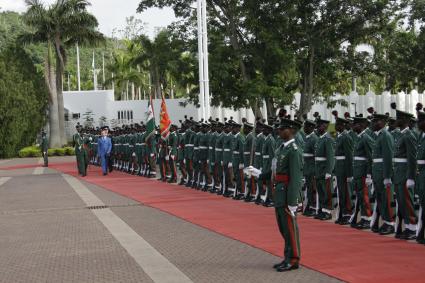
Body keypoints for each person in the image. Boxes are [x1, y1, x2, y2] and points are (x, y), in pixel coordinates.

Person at [269, 118, 303, 272]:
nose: (280, 131)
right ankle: (287, 256)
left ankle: (294, 259)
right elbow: (275, 171)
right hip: (280, 192)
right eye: (279, 129)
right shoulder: (282, 148)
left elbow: (295, 177)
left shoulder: (294, 150)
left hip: (287, 194)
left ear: (291, 131)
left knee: (290, 228)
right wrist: (257, 173)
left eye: (283, 129)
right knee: (283, 228)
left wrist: (292, 201)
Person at [371, 113, 395, 235]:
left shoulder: (385, 136)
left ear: (382, 122)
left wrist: (387, 176)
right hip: (377, 172)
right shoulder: (379, 136)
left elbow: (388, 157)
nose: (373, 123)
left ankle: (390, 223)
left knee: (386, 198)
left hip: (383, 173)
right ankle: (385, 221)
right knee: (380, 198)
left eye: (376, 121)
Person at [314, 118, 335, 220]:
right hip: (318, 168)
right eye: (317, 126)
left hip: (324, 169)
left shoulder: (328, 139)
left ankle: (328, 211)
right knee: (321, 190)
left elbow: (330, 156)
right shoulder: (320, 139)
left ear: (325, 127)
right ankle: (322, 210)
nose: (317, 128)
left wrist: (329, 171)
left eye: (320, 126)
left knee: (327, 191)